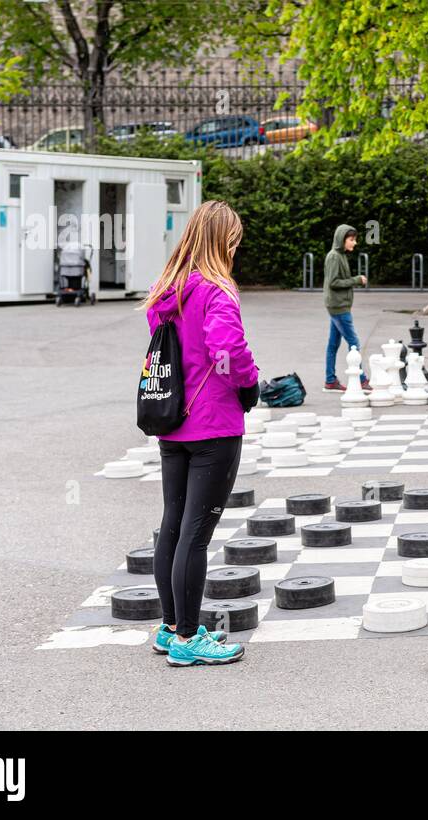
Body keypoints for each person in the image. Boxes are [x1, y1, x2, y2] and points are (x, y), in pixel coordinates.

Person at [142, 200, 260, 667]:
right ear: (223, 241)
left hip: (171, 422)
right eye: (234, 241)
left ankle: (171, 629)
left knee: (173, 523)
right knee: (196, 532)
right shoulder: (216, 289)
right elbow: (226, 347)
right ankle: (191, 638)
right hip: (213, 425)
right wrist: (248, 384)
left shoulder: (165, 290)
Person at [323, 224, 370, 391]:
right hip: (339, 306)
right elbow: (333, 283)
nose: (354, 243)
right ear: (342, 240)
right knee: (354, 342)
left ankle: (330, 380)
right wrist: (356, 280)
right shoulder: (334, 257)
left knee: (333, 344)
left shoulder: (340, 255)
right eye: (351, 239)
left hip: (338, 305)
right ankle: (362, 379)